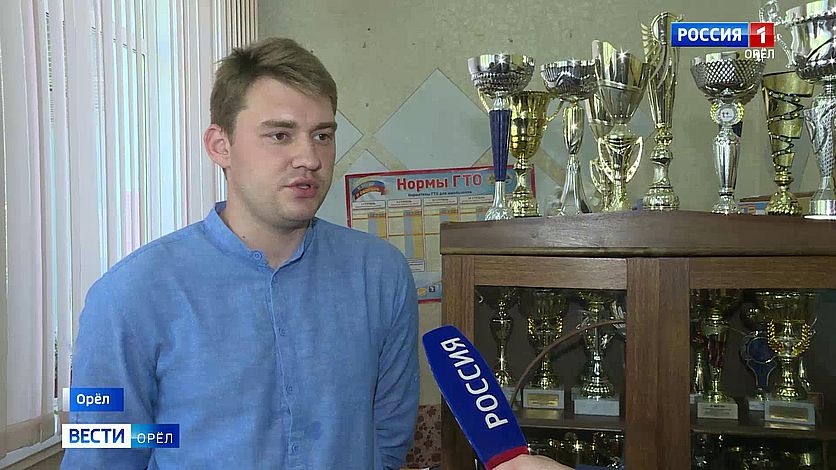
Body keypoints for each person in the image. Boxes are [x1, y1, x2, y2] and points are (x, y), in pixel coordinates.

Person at [61, 37, 419, 469]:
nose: (309, 158)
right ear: (221, 146)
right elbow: (102, 453)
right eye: (280, 135)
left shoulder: (380, 275)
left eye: (322, 135)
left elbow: (388, 434)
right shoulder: (127, 295)